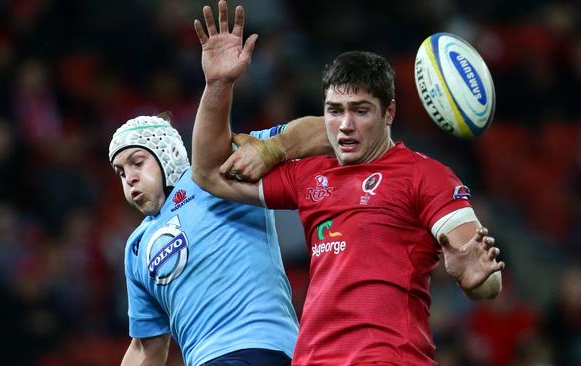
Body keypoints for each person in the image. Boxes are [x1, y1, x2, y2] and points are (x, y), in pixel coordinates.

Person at [191, 1, 505, 364]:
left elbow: (484, 274)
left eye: (360, 111)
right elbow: (208, 173)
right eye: (334, 111)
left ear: (388, 113)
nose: (345, 125)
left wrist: (475, 277)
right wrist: (218, 84)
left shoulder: (426, 176)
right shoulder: (309, 175)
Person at [109, 111, 331, 366]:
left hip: (261, 345)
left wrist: (276, 147)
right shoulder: (136, 247)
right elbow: (146, 349)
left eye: (137, 163)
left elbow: (322, 130)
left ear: (167, 154)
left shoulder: (218, 172)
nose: (130, 179)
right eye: (120, 173)